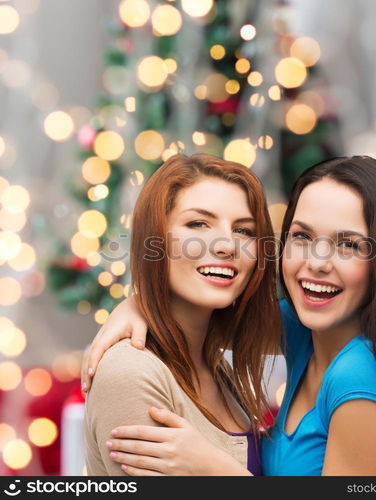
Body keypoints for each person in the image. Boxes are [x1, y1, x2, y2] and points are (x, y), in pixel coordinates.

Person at [82, 156, 376, 476]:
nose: (317, 263)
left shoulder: (360, 376)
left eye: (348, 244)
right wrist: (137, 304)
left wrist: (219, 471)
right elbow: (217, 318)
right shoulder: (305, 331)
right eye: (302, 236)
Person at [84, 153, 281, 475]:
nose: (226, 245)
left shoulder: (216, 367)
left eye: (244, 231)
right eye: (198, 224)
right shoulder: (131, 371)